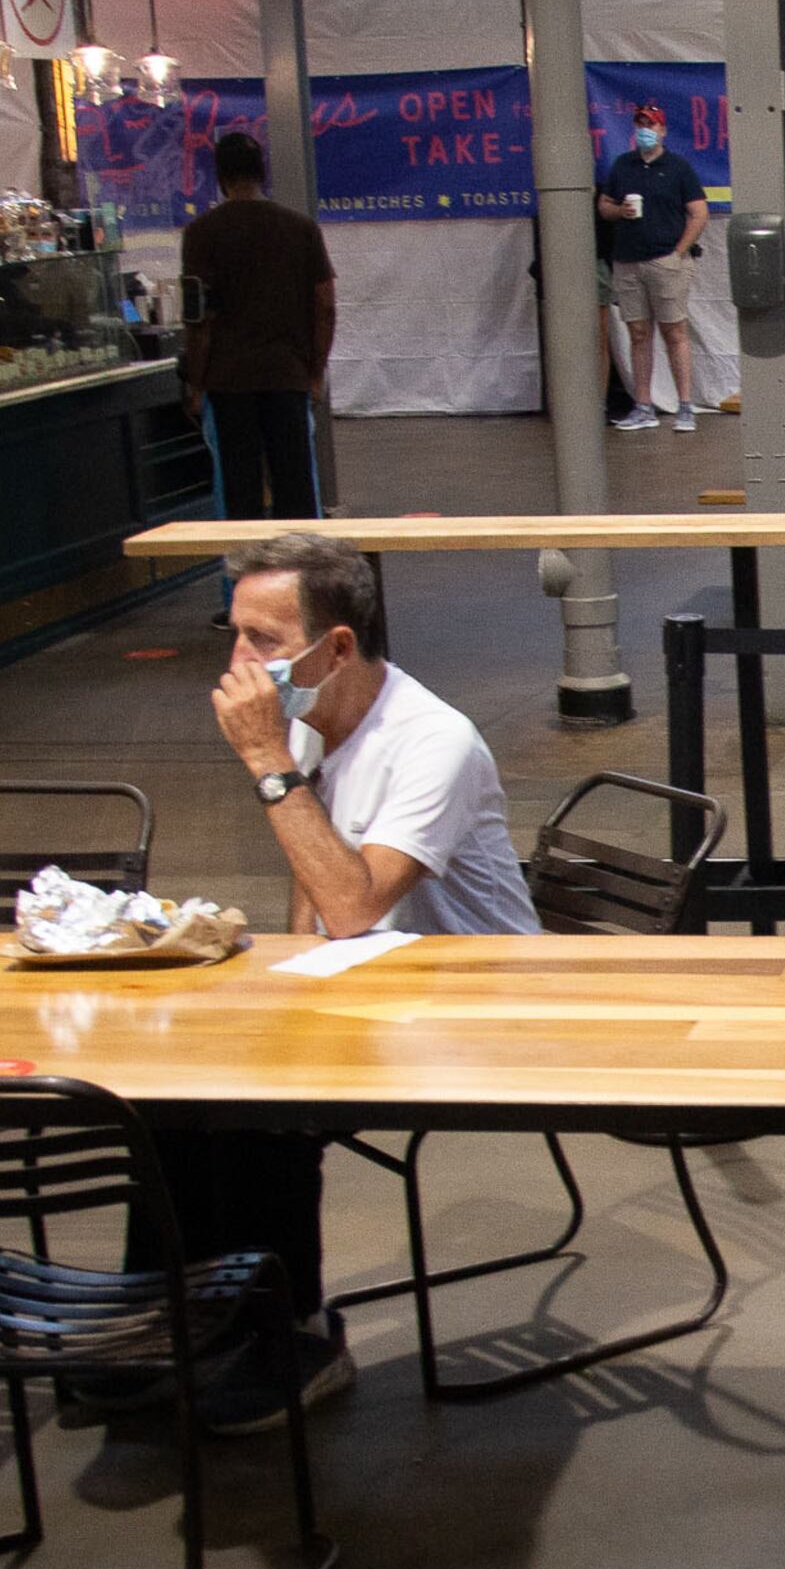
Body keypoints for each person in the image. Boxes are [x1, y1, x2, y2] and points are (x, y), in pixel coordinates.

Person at [137, 531, 544, 1435]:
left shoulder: (430, 741)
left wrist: (265, 763)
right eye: (233, 634)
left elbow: (353, 907)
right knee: (166, 1086)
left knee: (266, 1108)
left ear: (338, 648)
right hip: (379, 994)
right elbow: (312, 914)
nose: (239, 663)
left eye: (265, 642)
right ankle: (169, 1322)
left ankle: (295, 1338)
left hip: (488, 1008)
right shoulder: (316, 726)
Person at [177, 132, 334, 544]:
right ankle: (304, 591)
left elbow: (200, 319)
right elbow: (325, 305)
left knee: (239, 496)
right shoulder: (301, 229)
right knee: (297, 489)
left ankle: (245, 597)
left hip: (230, 382)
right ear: (262, 173)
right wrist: (315, 373)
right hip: (288, 376)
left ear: (221, 177)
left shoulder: (202, 233)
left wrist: (196, 383)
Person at [597, 105, 708, 433]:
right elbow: (604, 206)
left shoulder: (678, 168)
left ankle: (685, 405)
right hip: (628, 261)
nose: (645, 129)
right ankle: (643, 405)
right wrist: (619, 211)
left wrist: (678, 252)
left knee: (675, 331)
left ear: (662, 130)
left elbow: (699, 213)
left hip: (665, 260)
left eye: (651, 124)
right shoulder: (623, 166)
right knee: (638, 333)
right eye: (640, 124)